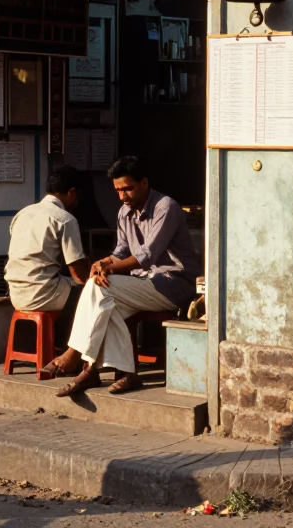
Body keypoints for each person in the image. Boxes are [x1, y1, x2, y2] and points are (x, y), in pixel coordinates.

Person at [50, 156, 201, 395]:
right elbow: (120, 252)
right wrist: (101, 263)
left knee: (101, 288)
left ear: (144, 183)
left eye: (127, 189)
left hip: (174, 285)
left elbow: (146, 256)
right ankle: (126, 374)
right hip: (145, 283)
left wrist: (108, 269)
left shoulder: (166, 207)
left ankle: (76, 355)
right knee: (104, 302)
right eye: (118, 191)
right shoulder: (124, 213)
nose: (123, 196)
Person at [5, 164, 91, 316]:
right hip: (44, 295)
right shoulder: (65, 219)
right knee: (93, 294)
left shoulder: (22, 214)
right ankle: (67, 339)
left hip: (16, 295)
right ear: (72, 192)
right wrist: (94, 279)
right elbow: (77, 271)